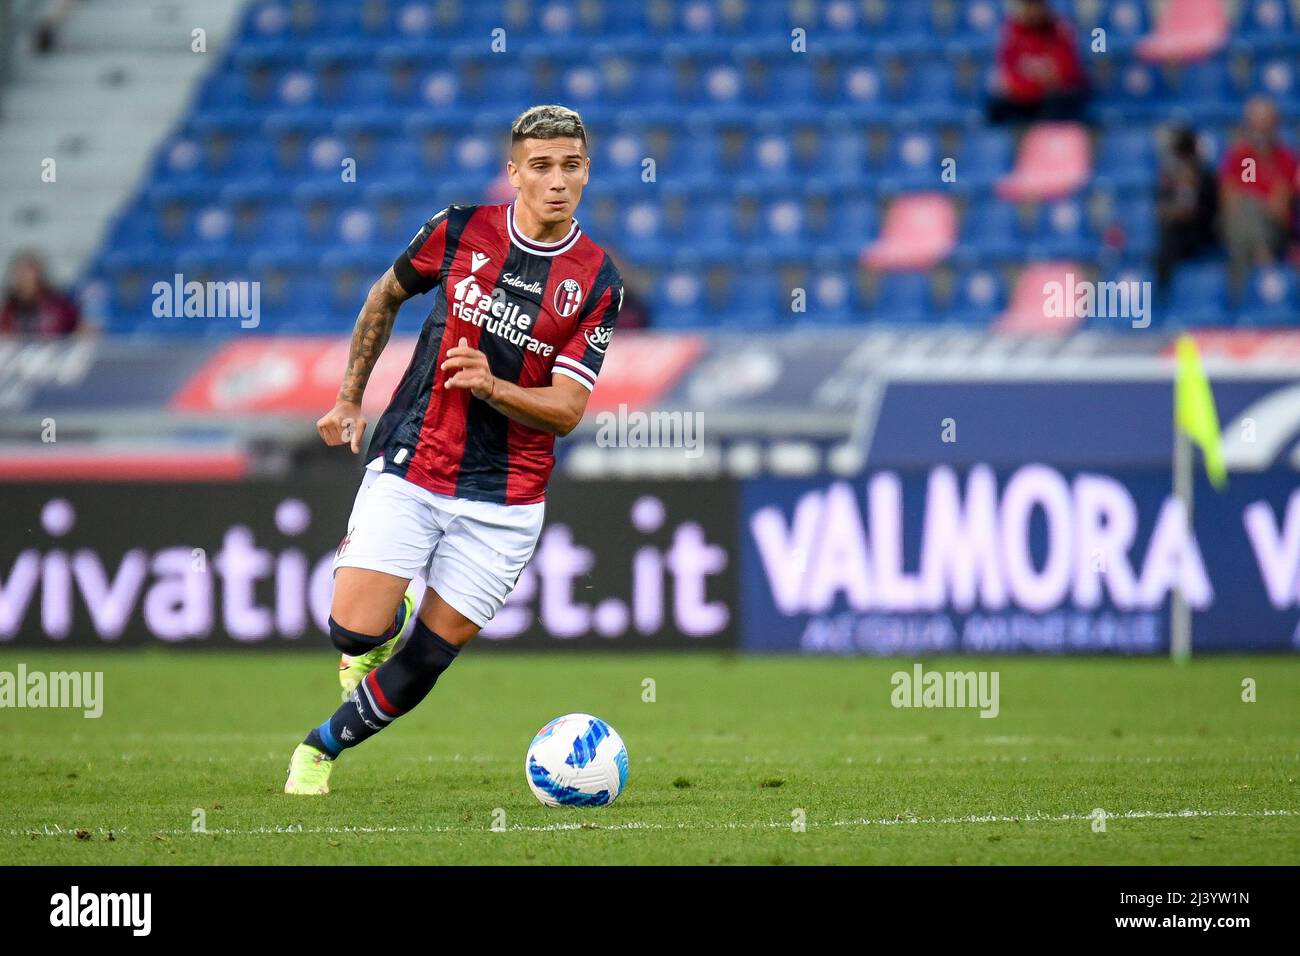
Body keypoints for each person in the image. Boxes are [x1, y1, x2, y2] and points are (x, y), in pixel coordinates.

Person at [284, 104, 624, 795]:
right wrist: (351, 397)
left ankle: (318, 750)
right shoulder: (460, 229)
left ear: (586, 171)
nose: (557, 181)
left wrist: (494, 386)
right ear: (515, 173)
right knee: (353, 634)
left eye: (571, 166)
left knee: (430, 657)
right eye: (541, 167)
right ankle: (384, 622)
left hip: (509, 496)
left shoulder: (597, 280)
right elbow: (384, 298)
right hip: (416, 457)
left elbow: (566, 411)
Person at [1219, 95, 1298, 294]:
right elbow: (1229, 202)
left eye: (1266, 124)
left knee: (1249, 212)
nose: (1260, 131)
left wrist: (1253, 201)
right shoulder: (1239, 156)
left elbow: (1280, 208)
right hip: (1238, 228)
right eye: (1255, 125)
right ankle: (1261, 256)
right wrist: (1256, 201)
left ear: (1275, 126)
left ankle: (1238, 296)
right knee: (1246, 213)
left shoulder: (1286, 159)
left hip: (1275, 231)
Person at [987, 0, 1090, 125]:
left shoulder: (1059, 29)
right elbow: (1009, 73)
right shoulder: (1012, 31)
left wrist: (1035, 79)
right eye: (1029, 6)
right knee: (997, 108)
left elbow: (1066, 72)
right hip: (1024, 96)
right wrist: (1035, 82)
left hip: (1052, 98)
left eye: (1037, 6)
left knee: (1058, 105)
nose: (1033, 11)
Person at [1155, 126, 1218, 292]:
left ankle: (1164, 294)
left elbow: (1206, 211)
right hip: (1177, 232)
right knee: (1167, 239)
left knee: (1171, 240)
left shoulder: (1205, 176)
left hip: (1201, 233)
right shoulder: (1170, 177)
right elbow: (1162, 208)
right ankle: (1163, 297)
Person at [0, 251, 81, 336]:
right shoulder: (7, 310)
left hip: (52, 348)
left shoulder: (59, 306)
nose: (27, 277)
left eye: (30, 272)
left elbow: (77, 326)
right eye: (22, 273)